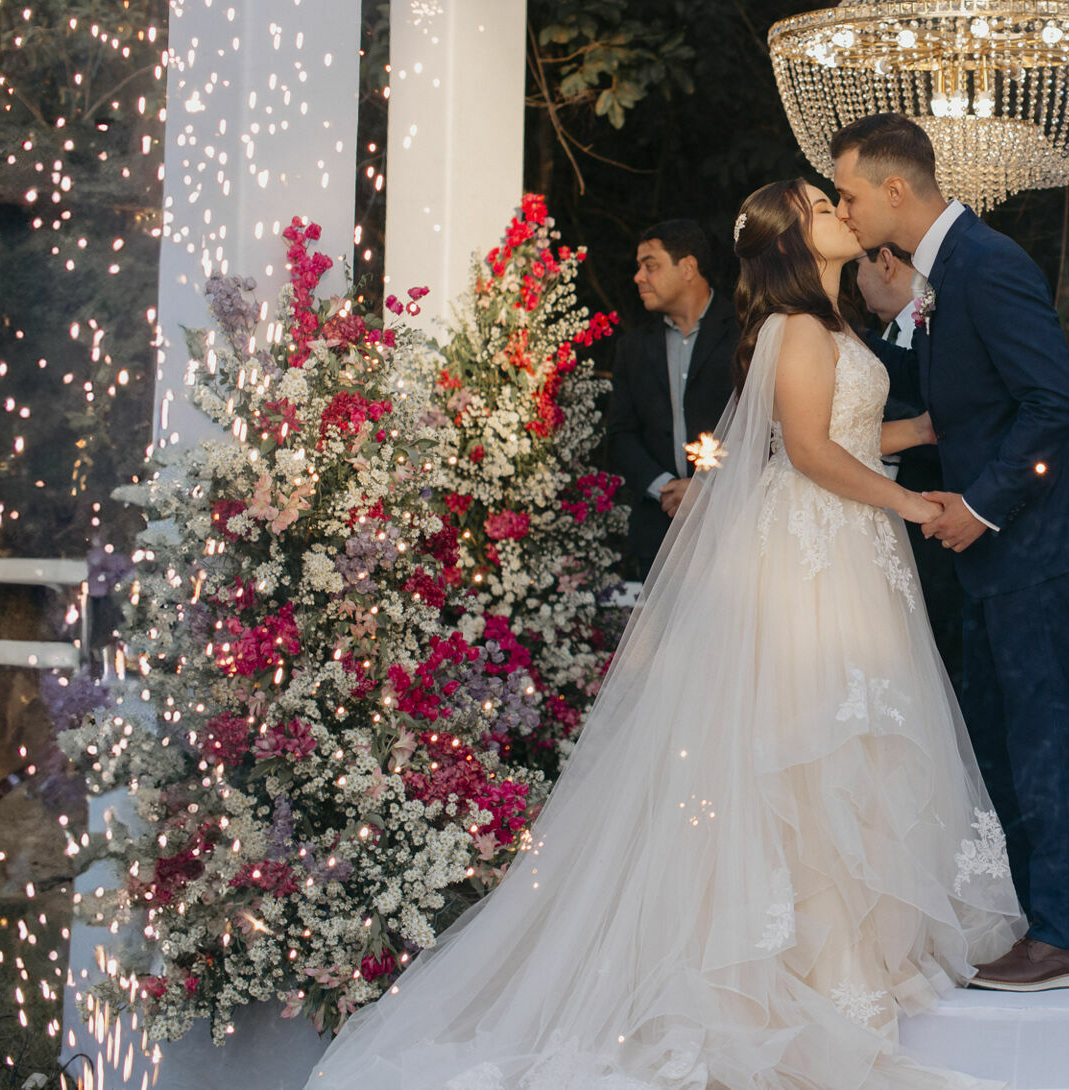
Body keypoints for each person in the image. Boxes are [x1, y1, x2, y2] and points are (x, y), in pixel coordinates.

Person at [309, 180, 1022, 1090]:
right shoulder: (797, 328)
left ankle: (850, 951)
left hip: (850, 545)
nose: (840, 207)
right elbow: (804, 449)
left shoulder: (833, 323)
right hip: (814, 546)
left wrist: (923, 427)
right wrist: (911, 503)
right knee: (810, 742)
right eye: (820, 203)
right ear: (793, 238)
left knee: (861, 736)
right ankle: (801, 962)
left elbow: (846, 427)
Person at [832, 113, 1069, 993]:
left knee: (1040, 735)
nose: (841, 212)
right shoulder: (941, 273)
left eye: (846, 194)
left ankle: (1066, 938)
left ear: (893, 189)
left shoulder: (987, 266)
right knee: (996, 732)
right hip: (999, 545)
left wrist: (983, 508)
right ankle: (1036, 918)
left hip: (1032, 540)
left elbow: (1051, 405)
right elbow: (971, 409)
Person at [856, 244, 966, 688]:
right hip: (875, 527)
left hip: (933, 526)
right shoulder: (879, 340)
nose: (856, 283)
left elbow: (948, 418)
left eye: (857, 270)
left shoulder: (942, 330)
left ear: (885, 263)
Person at [606, 219, 737, 574]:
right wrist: (667, 489)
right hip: (660, 529)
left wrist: (707, 487)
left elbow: (764, 424)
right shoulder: (633, 347)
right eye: (639, 268)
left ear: (688, 268)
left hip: (735, 521)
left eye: (651, 266)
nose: (639, 277)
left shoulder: (745, 332)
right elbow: (620, 434)